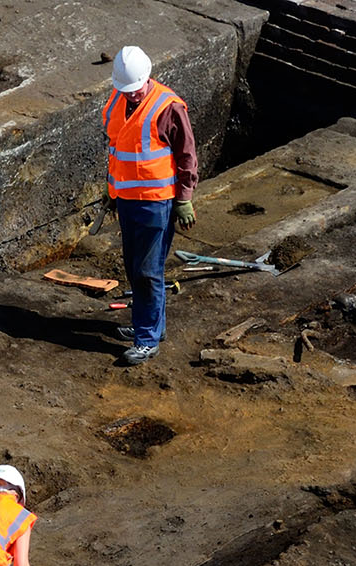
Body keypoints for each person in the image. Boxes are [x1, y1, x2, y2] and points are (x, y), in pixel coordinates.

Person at [101, 45, 198, 366]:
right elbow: (118, 147)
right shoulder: (118, 99)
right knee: (134, 267)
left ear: (147, 78)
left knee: (147, 272)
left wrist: (184, 198)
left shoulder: (168, 108)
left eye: (134, 89)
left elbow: (187, 156)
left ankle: (146, 339)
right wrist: (111, 189)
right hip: (127, 200)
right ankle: (153, 326)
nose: (130, 95)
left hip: (156, 204)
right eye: (124, 89)